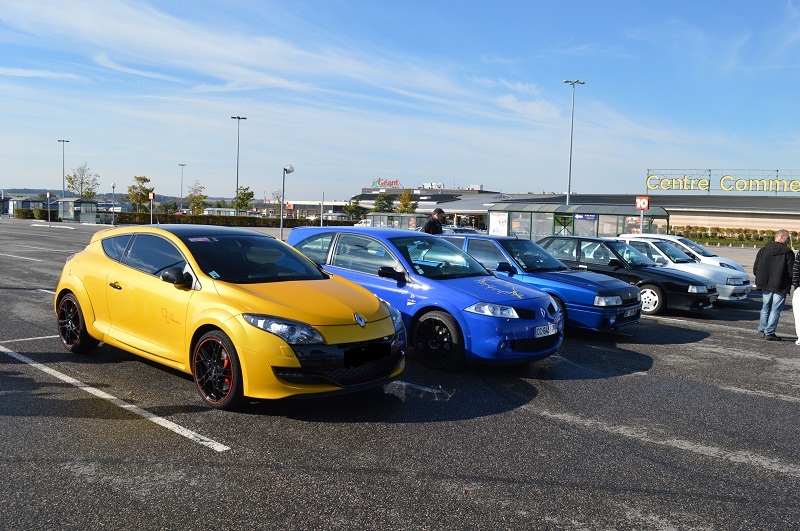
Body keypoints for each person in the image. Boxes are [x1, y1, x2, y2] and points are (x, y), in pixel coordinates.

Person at [753, 229, 794, 341]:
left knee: (765, 307)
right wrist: (793, 284)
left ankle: (762, 329)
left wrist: (760, 278)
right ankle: (769, 332)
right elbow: (791, 271)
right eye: (787, 238)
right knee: (775, 309)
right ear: (781, 237)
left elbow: (756, 266)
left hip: (765, 283)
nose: (789, 240)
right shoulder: (788, 253)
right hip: (780, 285)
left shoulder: (764, 249)